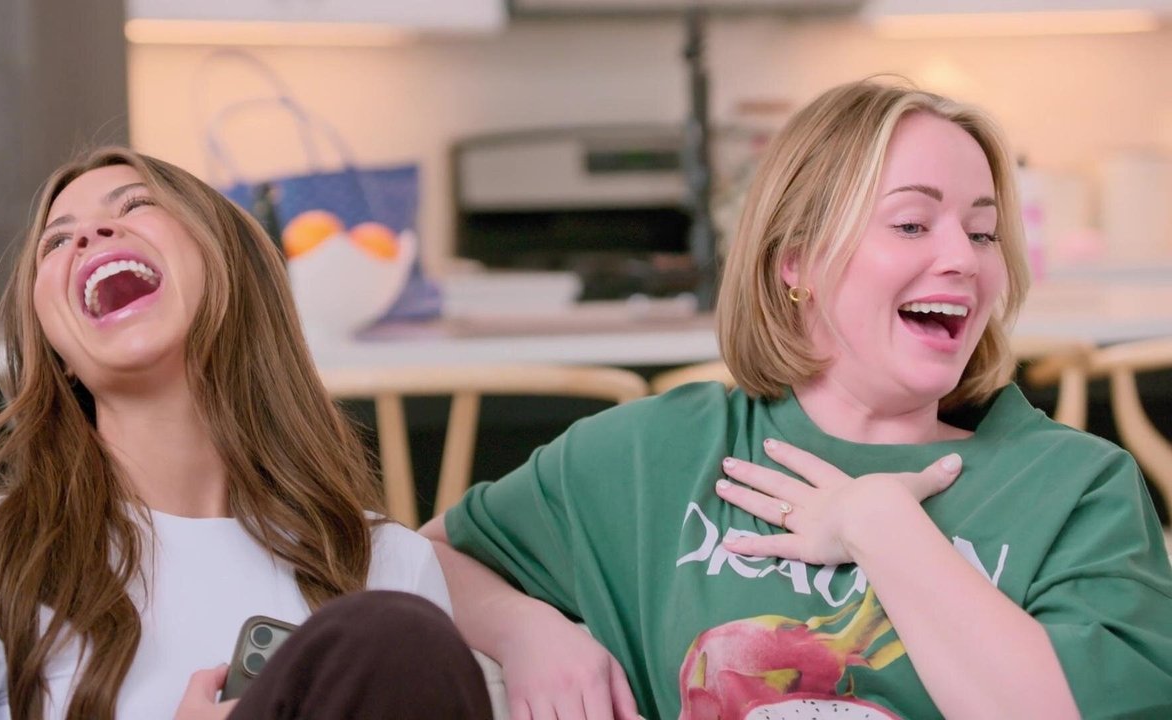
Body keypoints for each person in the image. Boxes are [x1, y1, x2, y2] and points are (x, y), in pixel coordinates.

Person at [422, 79, 1172, 720]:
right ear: (798, 262)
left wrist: (881, 526)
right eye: (912, 224)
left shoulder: (1077, 489)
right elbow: (424, 557)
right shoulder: (657, 456)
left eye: (983, 233)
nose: (963, 260)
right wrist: (525, 631)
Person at [0, 147, 492, 720]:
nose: (89, 233)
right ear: (60, 353)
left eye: (136, 204)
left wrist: (528, 630)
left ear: (233, 268)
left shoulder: (388, 566)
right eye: (55, 240)